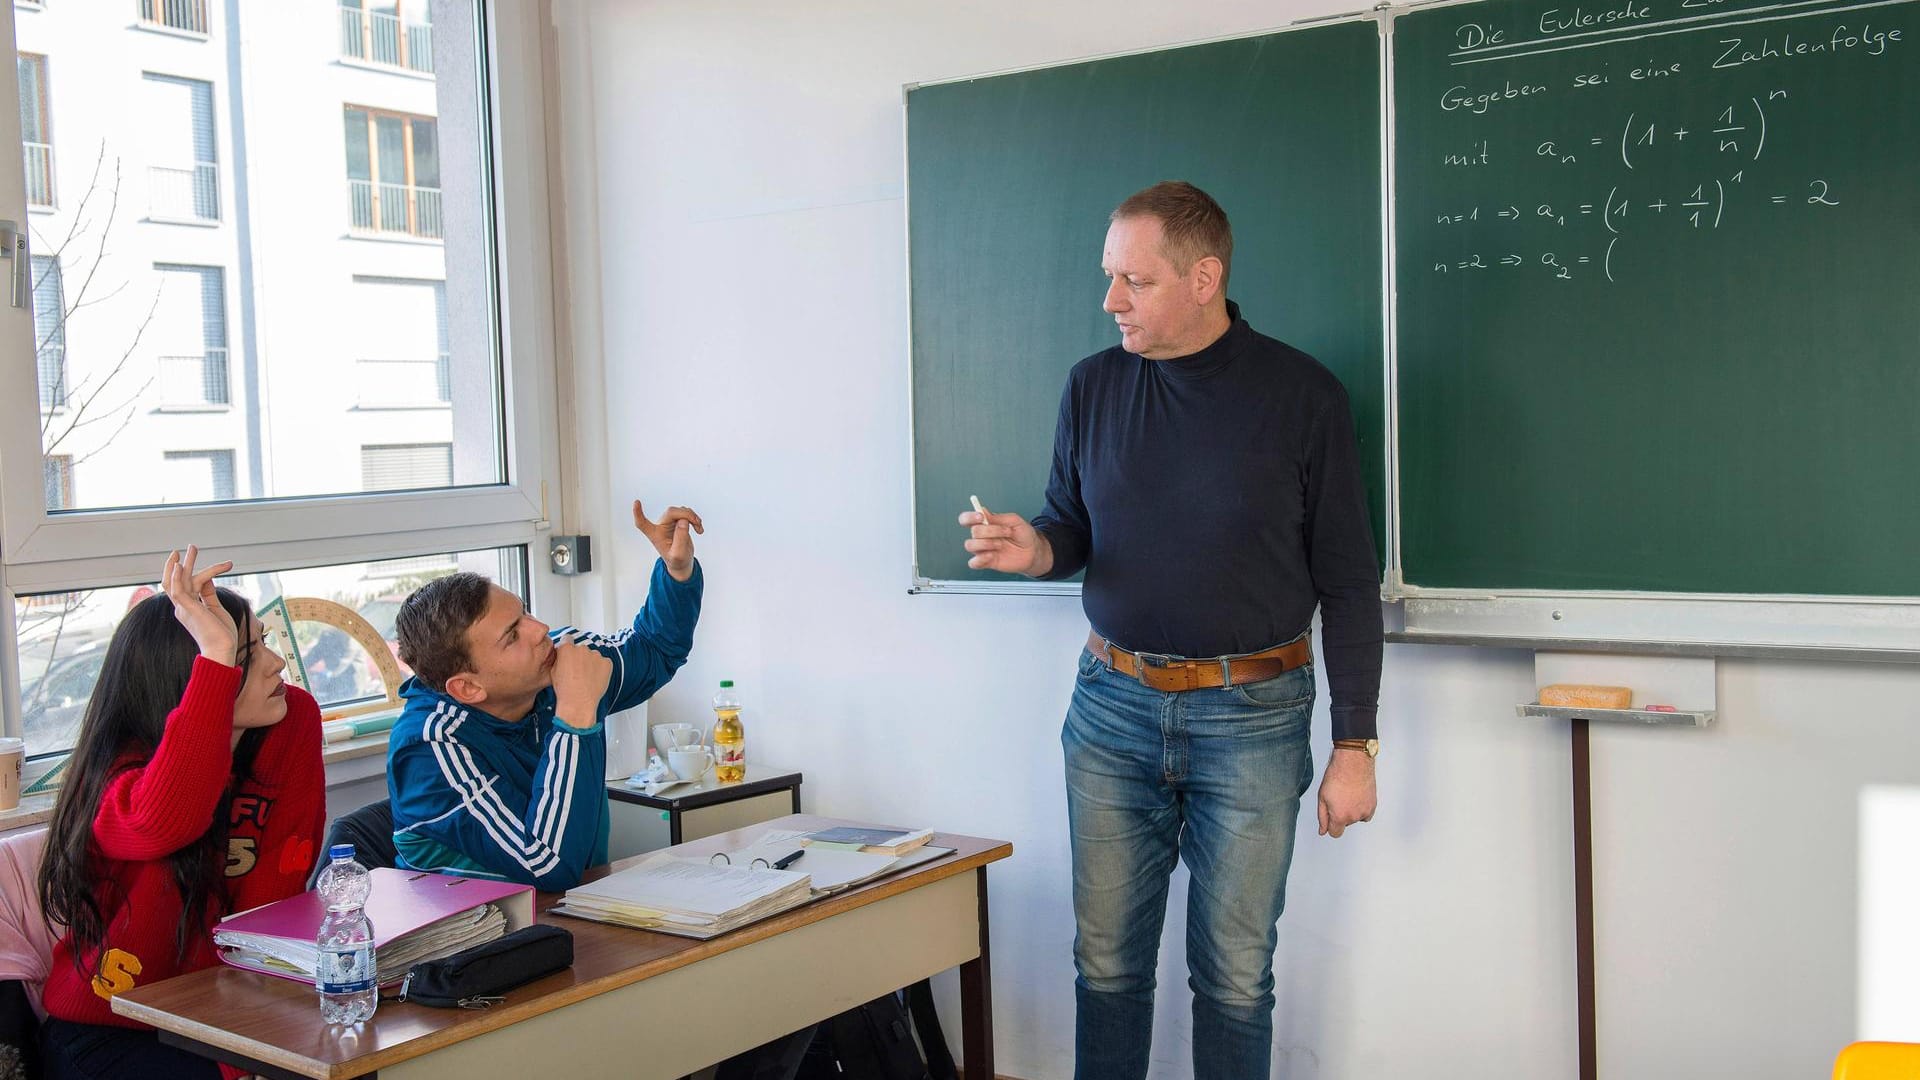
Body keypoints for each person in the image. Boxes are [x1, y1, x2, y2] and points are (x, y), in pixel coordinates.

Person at [959, 181, 1384, 1080]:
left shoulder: (1303, 396)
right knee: (1107, 967)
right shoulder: (1093, 385)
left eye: (1133, 281)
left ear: (1204, 278)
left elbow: (1348, 582)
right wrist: (1034, 548)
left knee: (1234, 979)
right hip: (1110, 713)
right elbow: (1070, 524)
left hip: (1254, 718)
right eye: (1109, 277)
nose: (1110, 300)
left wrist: (1356, 744)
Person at [36, 547, 325, 1080]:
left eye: (261, 643)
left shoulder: (290, 720)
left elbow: (273, 895)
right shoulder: (118, 778)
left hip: (222, 1021)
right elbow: (170, 823)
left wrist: (247, 1047)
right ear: (190, 680)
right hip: (111, 1032)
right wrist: (216, 660)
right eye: (246, 656)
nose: (276, 663)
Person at [385, 500, 705, 891]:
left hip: (578, 913)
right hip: (485, 940)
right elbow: (545, 864)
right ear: (468, 687)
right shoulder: (427, 746)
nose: (539, 630)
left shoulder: (554, 658)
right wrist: (575, 714)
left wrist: (676, 570)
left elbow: (655, 649)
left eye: (525, 613)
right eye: (512, 635)